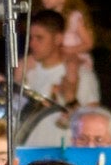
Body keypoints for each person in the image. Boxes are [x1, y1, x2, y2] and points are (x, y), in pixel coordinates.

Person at [17, 8, 95, 146]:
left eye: (39, 38)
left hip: (62, 160)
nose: (32, 44)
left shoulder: (81, 75)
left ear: (58, 39)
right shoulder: (27, 73)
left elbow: (94, 123)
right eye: (31, 38)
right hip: (28, 157)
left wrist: (70, 98)